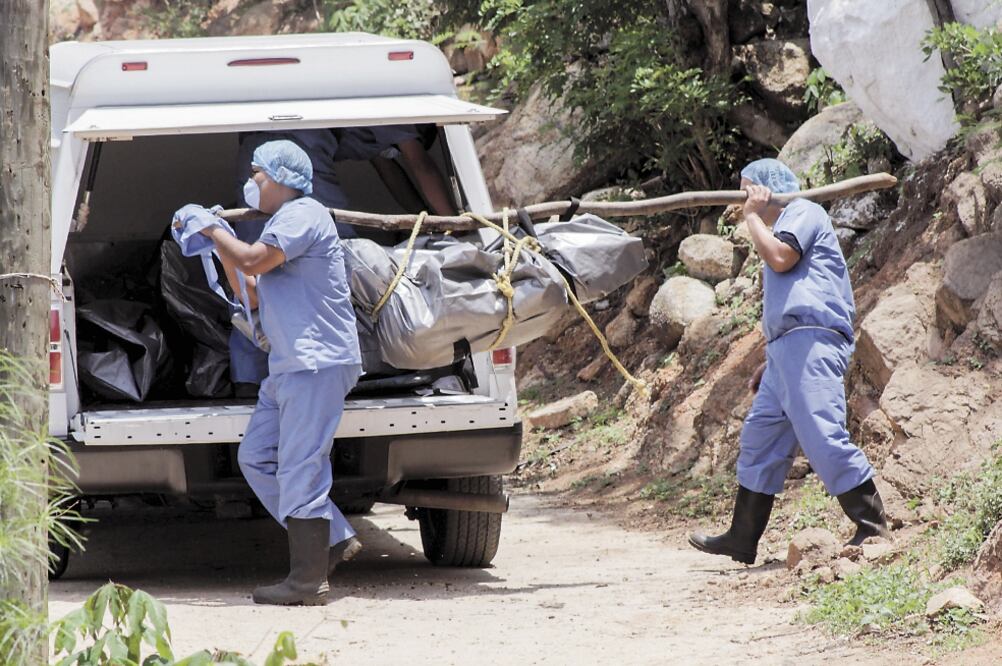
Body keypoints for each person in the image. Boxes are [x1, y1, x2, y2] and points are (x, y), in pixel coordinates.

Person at [688, 158, 891, 566]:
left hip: (811, 341)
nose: (742, 199)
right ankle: (742, 537)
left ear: (767, 188)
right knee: (760, 438)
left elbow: (783, 258)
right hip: (787, 350)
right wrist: (773, 359)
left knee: (821, 432)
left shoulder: (803, 211)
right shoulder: (779, 226)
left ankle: (872, 525)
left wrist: (751, 216)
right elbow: (790, 298)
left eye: (747, 189)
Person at [185, 139, 363, 605]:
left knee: (301, 466)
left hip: (316, 361)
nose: (251, 183)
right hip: (290, 363)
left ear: (281, 178)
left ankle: (306, 581)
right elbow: (250, 290)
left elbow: (252, 260)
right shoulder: (281, 223)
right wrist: (218, 239)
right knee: (256, 457)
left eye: (257, 175)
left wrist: (212, 228)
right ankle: (334, 539)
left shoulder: (304, 214)